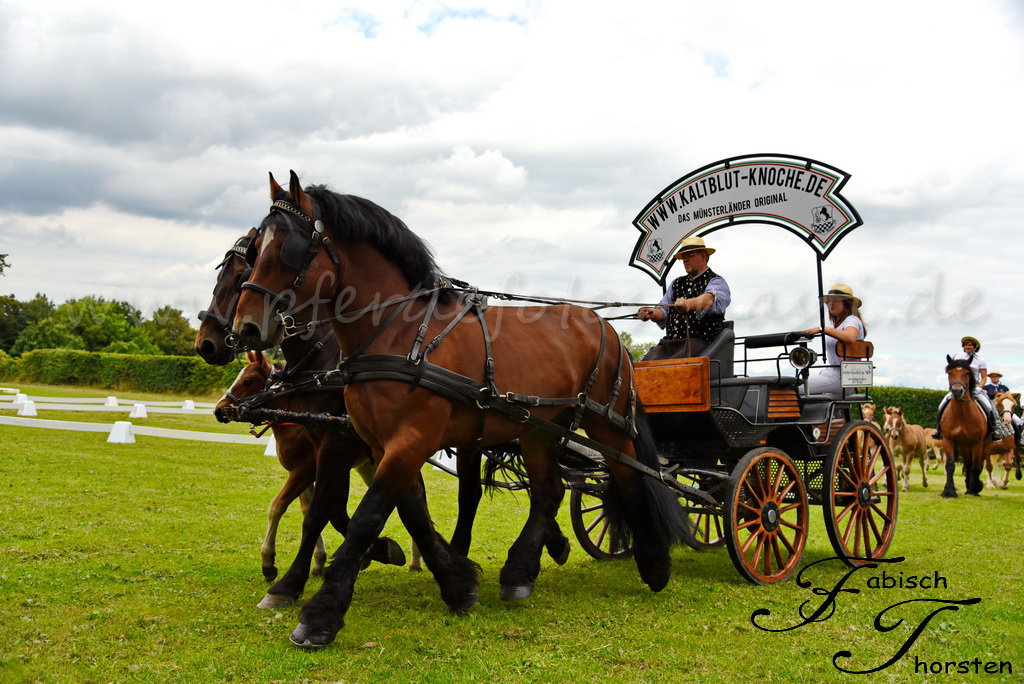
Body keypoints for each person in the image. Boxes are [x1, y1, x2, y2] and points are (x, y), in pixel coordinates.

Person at [637, 236, 731, 360]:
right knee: (643, 364)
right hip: (670, 344)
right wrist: (651, 313)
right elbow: (664, 310)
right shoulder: (676, 283)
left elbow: (709, 300)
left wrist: (688, 304)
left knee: (673, 366)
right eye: (683, 257)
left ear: (703, 256)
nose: (685, 260)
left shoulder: (716, 282)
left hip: (701, 343)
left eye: (689, 255)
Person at [932, 336, 1013, 442]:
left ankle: (994, 431)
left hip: (975, 388)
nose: (968, 347)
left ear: (975, 347)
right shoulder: (958, 357)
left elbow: (984, 377)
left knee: (989, 406)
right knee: (942, 405)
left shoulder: (980, 360)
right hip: (959, 386)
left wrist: (979, 387)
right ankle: (939, 430)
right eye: (966, 345)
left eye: (970, 345)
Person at [801, 284, 865, 394]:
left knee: (789, 388)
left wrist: (822, 329)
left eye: (835, 300)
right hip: (832, 374)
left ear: (847, 303)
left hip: (841, 377)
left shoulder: (852, 320)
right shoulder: (840, 325)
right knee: (791, 383)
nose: (831, 303)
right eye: (829, 301)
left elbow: (850, 337)